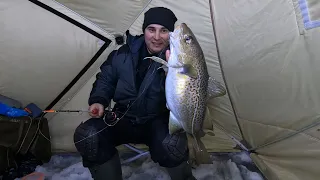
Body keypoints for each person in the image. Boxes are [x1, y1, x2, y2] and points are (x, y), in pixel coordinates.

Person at [73, 7, 197, 180]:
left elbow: (191, 92)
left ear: (171, 34)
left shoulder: (180, 58)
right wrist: (98, 101)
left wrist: (173, 73)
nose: (156, 37)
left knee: (172, 145)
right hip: (123, 117)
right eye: (151, 29)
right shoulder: (122, 54)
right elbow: (105, 79)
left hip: (158, 121)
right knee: (88, 136)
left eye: (164, 31)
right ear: (144, 30)